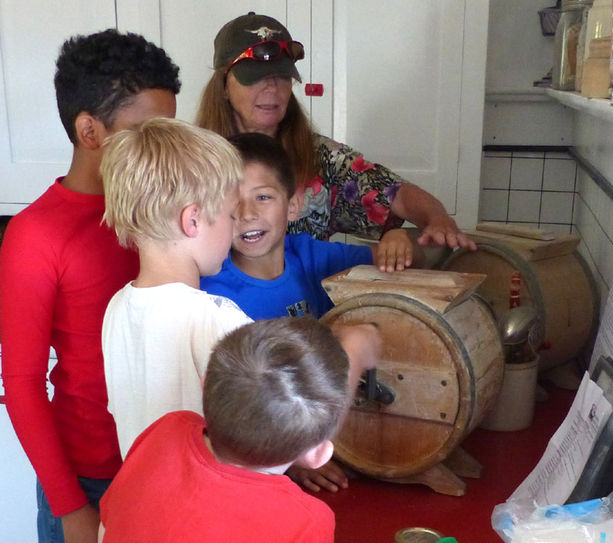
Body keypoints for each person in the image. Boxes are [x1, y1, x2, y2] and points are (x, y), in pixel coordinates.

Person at [0, 30, 180, 543]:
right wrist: (69, 506)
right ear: (90, 130)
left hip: (167, 462)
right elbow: (24, 384)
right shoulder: (35, 234)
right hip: (88, 480)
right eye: (147, 130)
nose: (163, 148)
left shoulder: (164, 212)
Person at [196, 11, 477, 250]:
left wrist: (436, 220)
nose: (272, 88)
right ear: (223, 85)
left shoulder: (322, 157)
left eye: (282, 76)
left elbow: (396, 193)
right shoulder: (191, 161)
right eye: (255, 78)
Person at [98, 316, 380, 543]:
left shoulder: (167, 430)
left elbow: (106, 526)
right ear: (318, 455)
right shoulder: (305, 521)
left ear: (205, 382)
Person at [100, 117, 252, 460]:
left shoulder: (117, 308)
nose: (236, 226)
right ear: (193, 220)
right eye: (230, 214)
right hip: (204, 510)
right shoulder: (215, 318)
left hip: (142, 502)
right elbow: (275, 428)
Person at [200, 131, 423, 320]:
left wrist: (397, 238)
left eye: (263, 197)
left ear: (293, 206)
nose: (247, 214)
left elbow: (416, 258)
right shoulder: (208, 294)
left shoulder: (310, 256)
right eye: (232, 201)